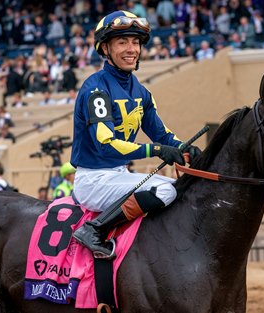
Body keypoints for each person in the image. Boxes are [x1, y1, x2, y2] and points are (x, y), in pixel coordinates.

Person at [70, 10, 201, 259]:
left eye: (136, 42)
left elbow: (161, 135)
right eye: (122, 42)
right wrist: (157, 151)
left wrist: (184, 147)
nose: (132, 49)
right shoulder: (96, 89)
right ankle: (94, 230)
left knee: (178, 187)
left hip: (118, 175)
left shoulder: (140, 91)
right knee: (165, 191)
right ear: (105, 48)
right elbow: (105, 145)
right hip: (94, 180)